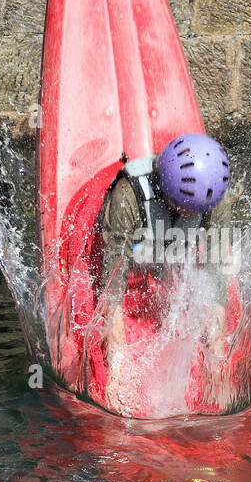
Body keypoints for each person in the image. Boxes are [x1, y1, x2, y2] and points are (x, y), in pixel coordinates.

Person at [94, 134, 236, 394]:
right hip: (137, 247)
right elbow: (111, 286)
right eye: (186, 210)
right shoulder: (128, 195)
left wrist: (217, 364)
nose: (194, 216)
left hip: (170, 247)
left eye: (196, 211)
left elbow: (216, 277)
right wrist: (117, 370)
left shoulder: (214, 198)